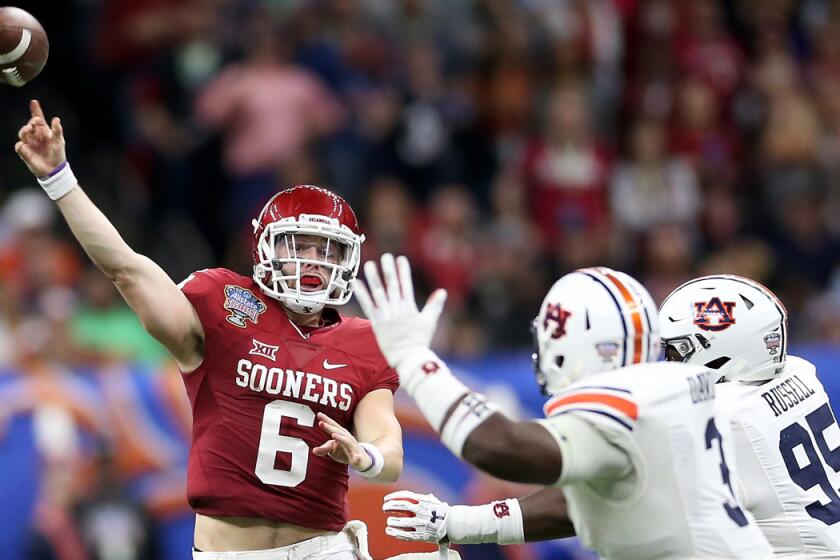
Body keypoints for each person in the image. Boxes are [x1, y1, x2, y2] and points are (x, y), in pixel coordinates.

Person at [15, 100, 404, 560]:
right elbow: (126, 269)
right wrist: (60, 179)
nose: (312, 262)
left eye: (327, 250)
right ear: (264, 249)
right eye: (299, 245)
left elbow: (389, 448)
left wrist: (366, 457)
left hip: (325, 548)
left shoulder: (360, 339)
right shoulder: (224, 302)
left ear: (349, 258)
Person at [354, 255, 773, 559]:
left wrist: (411, 359)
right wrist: (455, 522)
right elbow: (571, 507)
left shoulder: (627, 408)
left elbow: (501, 447)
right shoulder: (673, 386)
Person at [659, 274, 840, 557]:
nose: (668, 362)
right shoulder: (800, 371)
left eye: (674, 351)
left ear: (715, 348)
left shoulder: (723, 417)